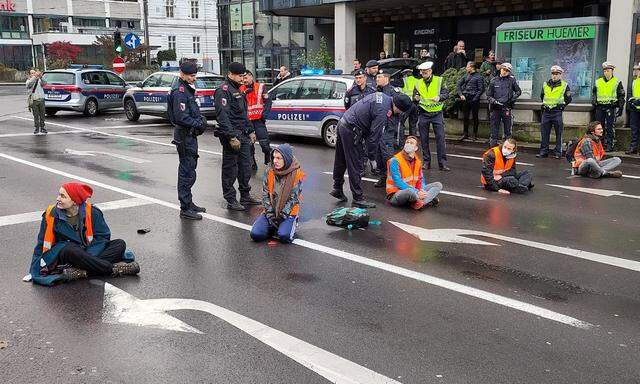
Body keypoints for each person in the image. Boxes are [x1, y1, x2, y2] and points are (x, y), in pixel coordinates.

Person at [26, 183, 139, 286]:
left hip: (90, 251)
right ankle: (113, 269)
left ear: (74, 201)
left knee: (119, 244)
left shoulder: (93, 212)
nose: (58, 199)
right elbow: (41, 243)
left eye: (63, 196)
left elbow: (102, 237)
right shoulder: (51, 214)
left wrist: (88, 254)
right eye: (59, 195)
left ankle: (81, 271)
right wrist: (34, 268)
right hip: (65, 253)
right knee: (72, 250)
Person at [331, 92, 413, 208]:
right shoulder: (383, 111)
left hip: (343, 123)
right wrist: (372, 158)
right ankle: (358, 198)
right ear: (397, 107)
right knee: (356, 164)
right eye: (400, 111)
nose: (399, 113)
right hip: (352, 129)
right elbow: (374, 137)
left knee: (341, 159)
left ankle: (337, 188)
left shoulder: (384, 97)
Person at [214, 62, 261, 211]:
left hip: (243, 134)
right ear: (231, 74)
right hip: (232, 136)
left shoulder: (238, 90)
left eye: (244, 76)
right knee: (230, 169)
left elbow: (243, 114)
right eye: (240, 76)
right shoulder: (223, 90)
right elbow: (223, 117)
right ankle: (231, 199)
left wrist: (251, 130)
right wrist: (231, 137)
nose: (242, 78)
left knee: (245, 167)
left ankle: (245, 195)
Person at [168, 61, 208, 220]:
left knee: (191, 169)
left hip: (189, 136)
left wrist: (201, 120)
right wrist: (197, 123)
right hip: (184, 136)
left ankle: (188, 202)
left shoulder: (186, 89)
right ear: (182, 74)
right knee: (186, 172)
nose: (194, 78)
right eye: (191, 76)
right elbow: (181, 117)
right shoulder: (180, 91)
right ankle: (185, 208)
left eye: (195, 75)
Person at [250, 144, 304, 244]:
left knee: (284, 236)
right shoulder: (269, 171)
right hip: (270, 211)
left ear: (286, 159)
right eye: (274, 157)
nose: (275, 161)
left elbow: (293, 199)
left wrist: (282, 215)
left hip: (288, 213)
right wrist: (270, 214)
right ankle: (272, 227)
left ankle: (290, 223)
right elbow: (265, 194)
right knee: (256, 235)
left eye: (279, 158)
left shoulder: (297, 173)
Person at [386, 136, 442, 209]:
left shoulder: (418, 162)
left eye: (411, 143)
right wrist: (417, 192)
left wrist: (421, 190)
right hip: (397, 193)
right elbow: (398, 182)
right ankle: (425, 200)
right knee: (409, 192)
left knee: (438, 185)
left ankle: (419, 202)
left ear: (416, 148)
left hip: (414, 191)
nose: (408, 144)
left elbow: (420, 179)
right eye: (407, 142)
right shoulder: (395, 160)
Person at [413, 61, 450, 171]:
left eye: (425, 72)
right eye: (422, 72)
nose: (423, 74)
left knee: (440, 138)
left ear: (430, 71)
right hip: (423, 113)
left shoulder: (439, 80)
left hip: (437, 113)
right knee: (424, 139)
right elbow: (415, 95)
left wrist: (439, 97)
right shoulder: (418, 83)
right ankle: (426, 162)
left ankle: (442, 163)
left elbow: (446, 93)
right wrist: (415, 97)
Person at [373, 70, 404, 187]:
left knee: (387, 155)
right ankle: (383, 176)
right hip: (378, 127)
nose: (377, 79)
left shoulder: (393, 92)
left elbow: (402, 109)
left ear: (386, 78)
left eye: (379, 77)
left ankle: (394, 179)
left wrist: (392, 120)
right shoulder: (377, 90)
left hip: (388, 128)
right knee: (378, 154)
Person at [537, 65, 572, 159]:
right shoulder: (545, 84)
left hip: (557, 112)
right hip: (546, 112)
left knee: (559, 133)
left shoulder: (564, 85)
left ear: (560, 75)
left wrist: (561, 106)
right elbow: (542, 96)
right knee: (544, 133)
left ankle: (558, 153)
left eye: (557, 74)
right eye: (553, 74)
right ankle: (544, 151)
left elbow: (568, 99)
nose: (554, 76)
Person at [486, 62, 521, 147]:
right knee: (494, 131)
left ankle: (508, 149)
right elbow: (488, 95)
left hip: (506, 109)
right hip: (496, 109)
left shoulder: (512, 80)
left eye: (507, 70)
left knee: (507, 131)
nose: (505, 72)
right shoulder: (493, 81)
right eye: (503, 69)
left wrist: (512, 99)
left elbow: (518, 91)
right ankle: (493, 149)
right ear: (500, 69)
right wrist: (493, 101)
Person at [592, 61, 625, 151]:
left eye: (608, 70)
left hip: (611, 107)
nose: (606, 72)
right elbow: (594, 93)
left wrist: (621, 107)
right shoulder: (598, 82)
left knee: (610, 127)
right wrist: (594, 101)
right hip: (600, 107)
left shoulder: (617, 82)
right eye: (605, 71)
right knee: (599, 127)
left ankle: (610, 144)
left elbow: (621, 96)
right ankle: (599, 144)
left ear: (612, 71)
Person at [244, 70, 272, 169]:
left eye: (246, 78)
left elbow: (268, 101)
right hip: (247, 121)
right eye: (243, 78)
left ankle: (267, 155)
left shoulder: (260, 87)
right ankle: (252, 162)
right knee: (249, 144)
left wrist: (264, 115)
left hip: (258, 120)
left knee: (264, 142)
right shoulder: (241, 89)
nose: (244, 80)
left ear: (251, 76)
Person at [457, 61, 484, 141]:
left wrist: (475, 98)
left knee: (475, 117)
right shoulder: (465, 75)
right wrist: (461, 94)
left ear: (472, 67)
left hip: (474, 99)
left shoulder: (479, 77)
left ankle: (475, 135)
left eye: (467, 66)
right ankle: (465, 134)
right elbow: (458, 85)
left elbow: (481, 89)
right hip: (466, 98)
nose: (466, 68)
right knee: (465, 117)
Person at [26, 69, 46, 135]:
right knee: (36, 115)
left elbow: (45, 83)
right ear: (30, 74)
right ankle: (37, 128)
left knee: (42, 115)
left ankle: (43, 127)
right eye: (32, 73)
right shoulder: (28, 81)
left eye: (34, 73)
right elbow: (29, 85)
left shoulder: (39, 80)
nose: (34, 74)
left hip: (41, 99)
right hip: (34, 100)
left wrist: (41, 77)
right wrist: (35, 77)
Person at [401, 69, 419, 136]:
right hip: (415, 104)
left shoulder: (403, 81)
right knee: (413, 125)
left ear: (405, 74)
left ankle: (401, 143)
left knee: (401, 123)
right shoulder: (417, 81)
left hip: (406, 105)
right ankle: (413, 141)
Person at [627, 63, 640, 154]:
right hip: (635, 109)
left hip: (637, 105)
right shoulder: (635, 81)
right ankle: (633, 148)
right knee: (634, 129)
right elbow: (630, 93)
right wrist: (631, 102)